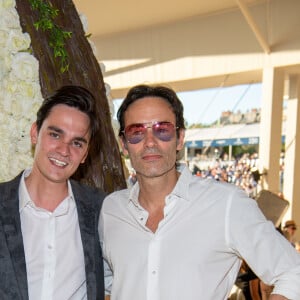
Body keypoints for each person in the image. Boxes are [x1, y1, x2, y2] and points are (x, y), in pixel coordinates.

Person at [99, 84, 300, 300]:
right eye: (136, 132)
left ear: (180, 138)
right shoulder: (111, 210)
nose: (149, 142)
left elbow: (292, 273)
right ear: (124, 144)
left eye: (162, 130)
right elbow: (109, 285)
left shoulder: (226, 203)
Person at [0, 85, 106, 299]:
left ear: (85, 154)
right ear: (34, 133)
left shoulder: (101, 210)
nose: (64, 150)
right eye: (55, 135)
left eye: (77, 143)